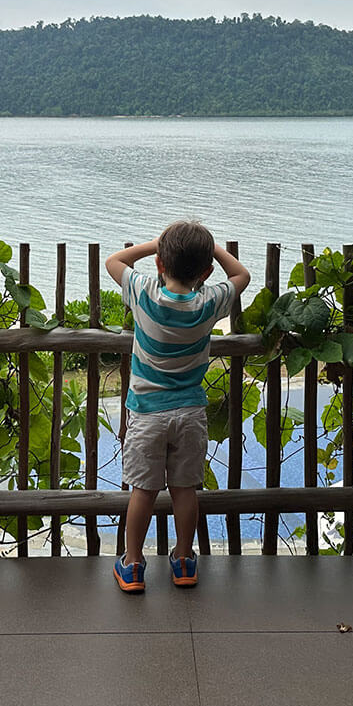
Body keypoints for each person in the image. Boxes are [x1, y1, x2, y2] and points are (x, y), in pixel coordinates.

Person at [104, 220, 250, 593]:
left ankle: (133, 564)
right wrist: (213, 250)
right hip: (189, 414)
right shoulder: (208, 303)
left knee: (142, 491)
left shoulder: (145, 292)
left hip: (146, 413)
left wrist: (154, 244)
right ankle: (184, 560)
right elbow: (242, 274)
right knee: (185, 490)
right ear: (205, 272)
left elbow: (114, 261)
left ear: (159, 265)